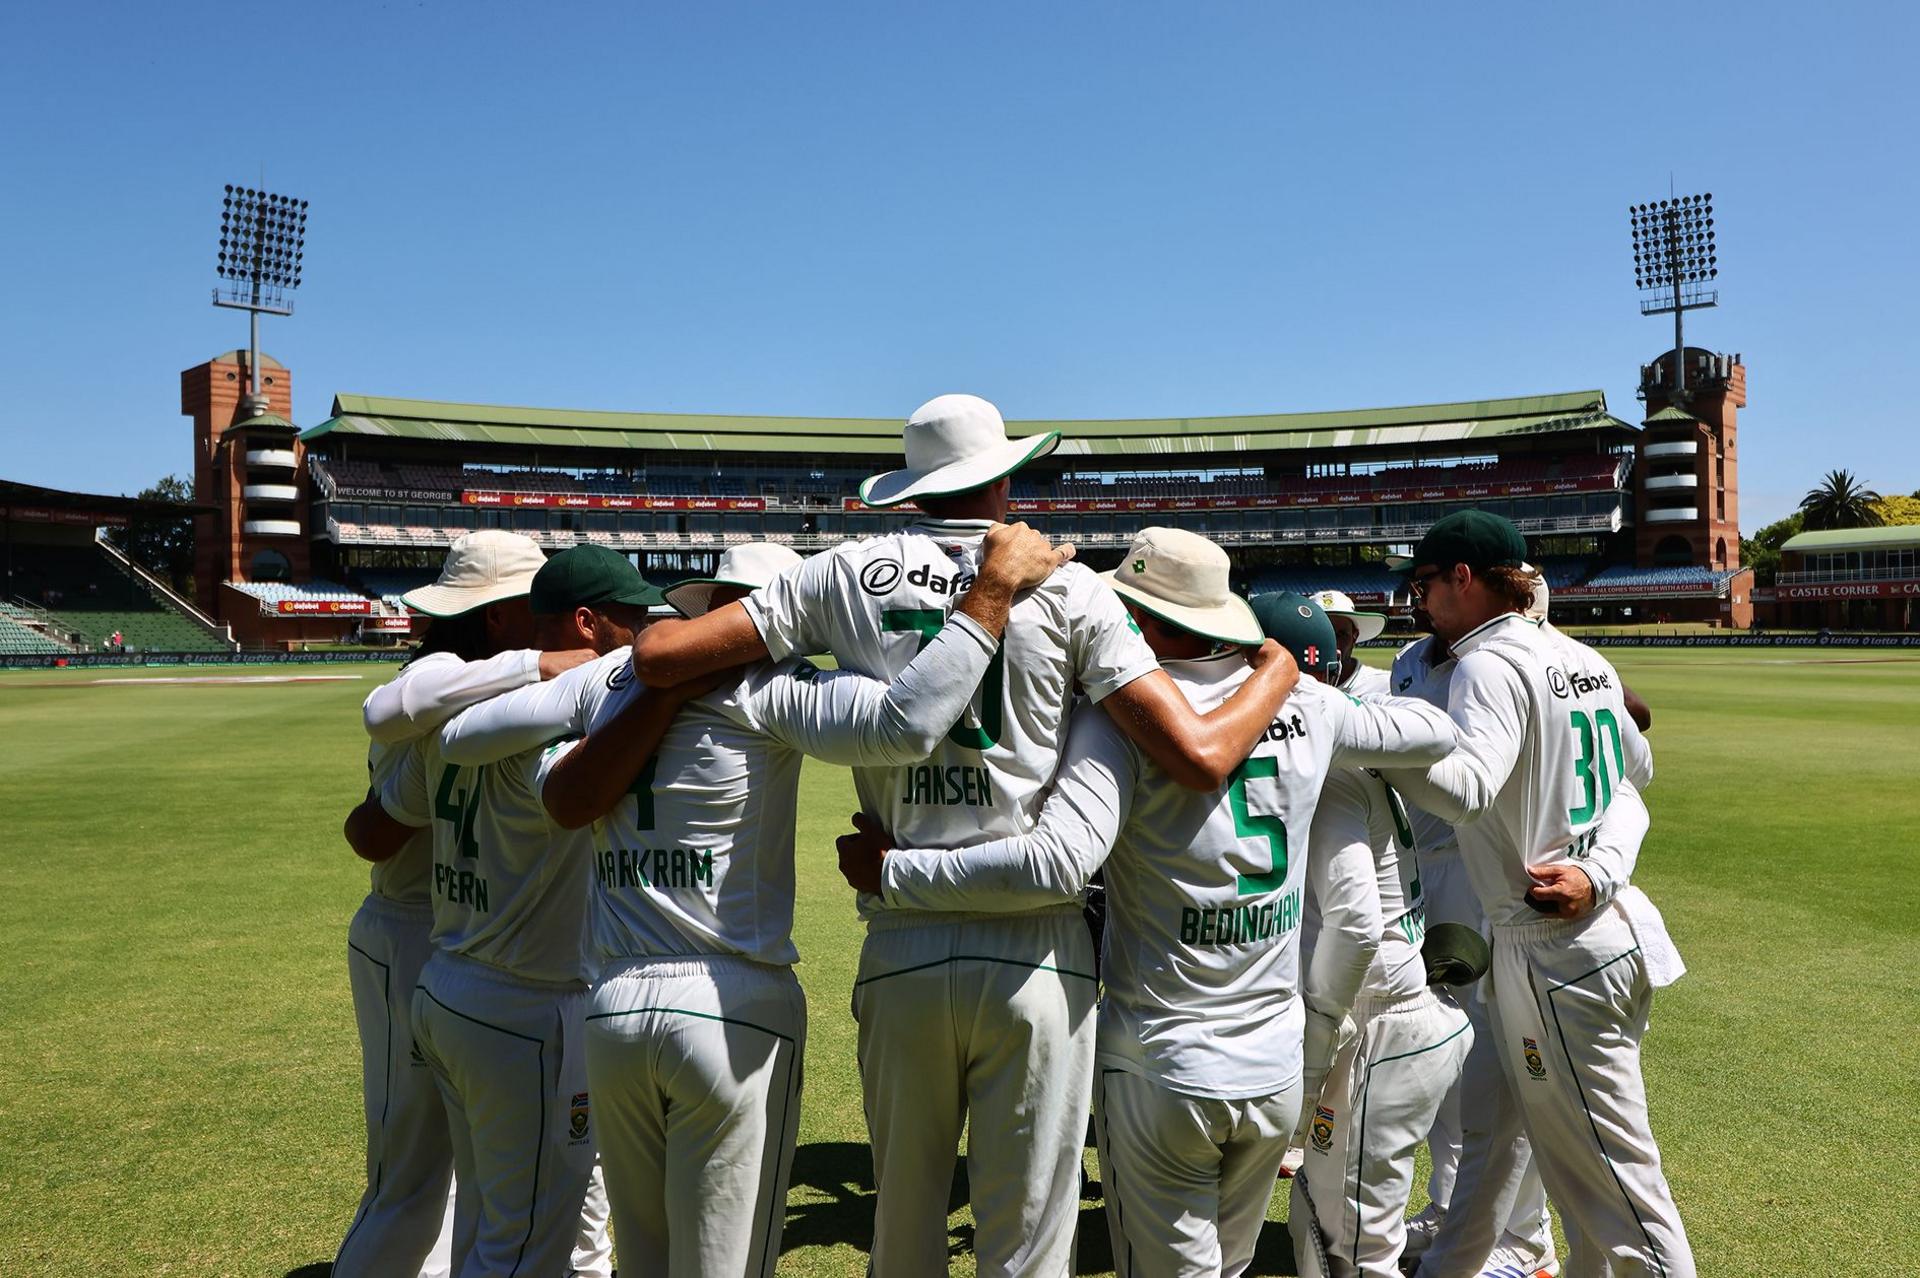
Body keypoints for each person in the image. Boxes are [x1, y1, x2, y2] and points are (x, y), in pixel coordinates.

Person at [630, 398, 1302, 1277]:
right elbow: (1196, 756)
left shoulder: (840, 570)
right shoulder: (1070, 587)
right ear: (1007, 477)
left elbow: (661, 659)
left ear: (911, 489)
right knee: (1028, 1242)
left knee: (903, 1230)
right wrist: (1280, 662)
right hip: (1039, 949)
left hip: (902, 939)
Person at [435, 529, 1068, 1277]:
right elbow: (911, 720)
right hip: (731, 999)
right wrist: (988, 599)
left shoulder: (612, 679)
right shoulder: (777, 687)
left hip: (613, 1005)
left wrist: (644, 690)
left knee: (642, 1261)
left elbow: (458, 735)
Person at [836, 541, 1456, 1278]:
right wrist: (1288, 679)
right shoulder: (1308, 703)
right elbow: (1435, 732)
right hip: (1274, 1064)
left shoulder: (1118, 724)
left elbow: (1051, 862)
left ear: (1141, 618)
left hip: (1164, 1066)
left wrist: (895, 873)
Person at [1381, 512, 1692, 1278]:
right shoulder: (1580, 655)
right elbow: (1634, 773)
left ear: (1463, 577)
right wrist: (1602, 868)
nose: (1420, 601)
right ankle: (1483, 1256)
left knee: (1614, 1189)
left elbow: (1465, 789)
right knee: (1575, 1173)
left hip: (1549, 945)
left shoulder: (1488, 663)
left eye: (1425, 583)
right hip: (1592, 933)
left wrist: (1358, 730)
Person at [344, 544, 666, 1278]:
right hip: (496, 980)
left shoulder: (463, 710)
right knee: (462, 1211)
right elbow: (385, 756)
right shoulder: (472, 691)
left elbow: (373, 824)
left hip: (452, 963)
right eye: (628, 617)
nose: (644, 627)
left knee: (489, 1212)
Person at [1311, 589, 1391, 699]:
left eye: (1341, 634)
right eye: (1322, 634)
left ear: (1354, 637)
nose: (1333, 643)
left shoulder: (1383, 686)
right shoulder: (1290, 685)